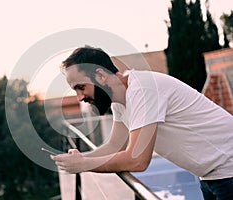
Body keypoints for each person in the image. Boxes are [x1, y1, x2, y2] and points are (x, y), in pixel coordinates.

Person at [51, 46, 233, 200]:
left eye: (81, 87)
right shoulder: (121, 102)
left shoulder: (144, 89)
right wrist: (81, 159)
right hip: (210, 176)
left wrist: (84, 165)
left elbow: (137, 160)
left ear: (100, 75)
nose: (80, 97)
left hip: (228, 169)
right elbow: (114, 146)